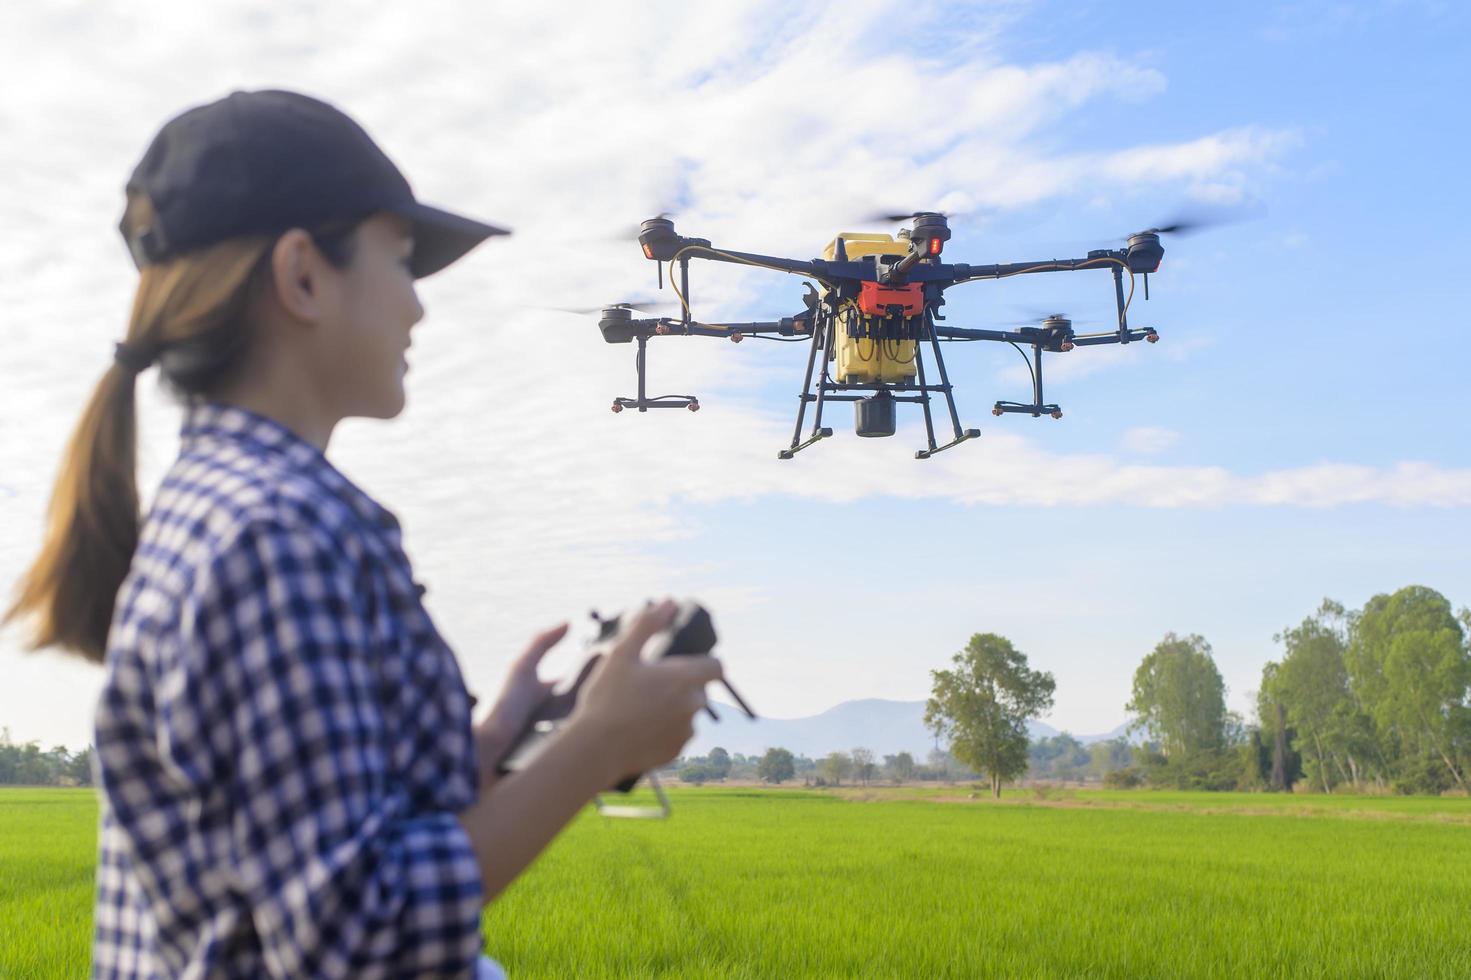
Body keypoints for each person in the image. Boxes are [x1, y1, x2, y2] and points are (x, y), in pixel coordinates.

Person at [2, 89, 723, 979]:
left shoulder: (237, 509)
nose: (418, 308)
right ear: (303, 275)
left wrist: (494, 741)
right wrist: (596, 747)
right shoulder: (274, 536)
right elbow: (352, 932)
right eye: (402, 260)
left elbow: (300, 823)